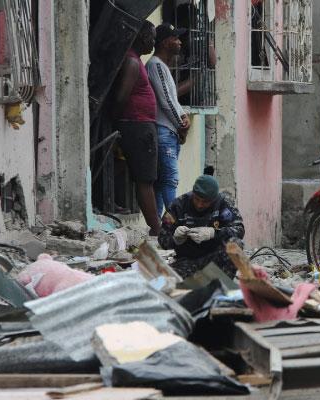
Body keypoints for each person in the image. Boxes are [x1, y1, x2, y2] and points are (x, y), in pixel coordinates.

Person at [112, 21, 161, 235]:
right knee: (145, 178)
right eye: (151, 37)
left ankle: (155, 225)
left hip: (140, 124)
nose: (153, 42)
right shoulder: (132, 62)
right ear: (141, 37)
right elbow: (121, 97)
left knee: (146, 178)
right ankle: (157, 228)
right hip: (137, 126)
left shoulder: (135, 60)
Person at [158, 175, 245, 279]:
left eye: (205, 202)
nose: (199, 205)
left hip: (215, 258)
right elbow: (162, 239)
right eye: (196, 199)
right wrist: (175, 239)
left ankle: (222, 285)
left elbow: (239, 230)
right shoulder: (178, 205)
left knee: (236, 244)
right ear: (193, 193)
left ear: (213, 199)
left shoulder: (223, 203)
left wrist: (213, 233)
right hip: (187, 261)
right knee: (165, 280)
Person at [146, 24, 191, 217]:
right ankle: (176, 221)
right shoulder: (155, 65)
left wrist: (184, 117)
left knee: (161, 181)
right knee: (170, 179)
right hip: (164, 130)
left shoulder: (162, 66)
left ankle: (158, 226)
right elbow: (165, 101)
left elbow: (173, 100)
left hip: (168, 130)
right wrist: (181, 124)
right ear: (165, 42)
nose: (180, 42)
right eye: (176, 38)